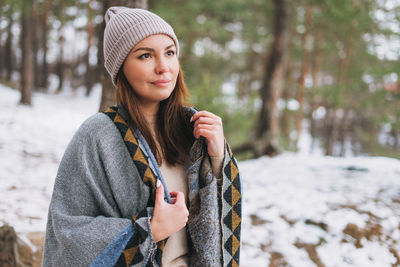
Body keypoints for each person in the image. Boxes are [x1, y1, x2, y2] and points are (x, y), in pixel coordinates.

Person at [42, 7, 242, 267]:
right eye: (145, 55)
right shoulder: (98, 134)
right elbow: (66, 233)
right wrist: (150, 230)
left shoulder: (191, 131)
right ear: (121, 67)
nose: (163, 67)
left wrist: (217, 159)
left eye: (169, 53)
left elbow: (220, 222)